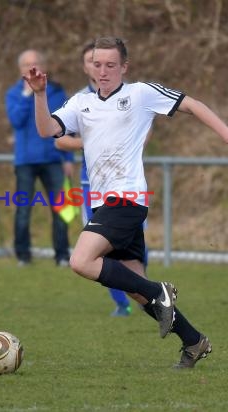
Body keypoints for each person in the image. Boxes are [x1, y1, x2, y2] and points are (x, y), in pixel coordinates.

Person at [25, 36, 228, 368]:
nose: (103, 71)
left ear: (124, 67)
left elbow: (190, 103)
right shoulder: (81, 103)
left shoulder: (140, 94)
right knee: (137, 290)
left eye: (110, 65)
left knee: (80, 261)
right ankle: (193, 341)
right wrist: (40, 94)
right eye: (97, 64)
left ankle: (159, 289)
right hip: (105, 203)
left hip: (127, 199)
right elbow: (47, 130)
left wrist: (227, 134)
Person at [55, 42, 134, 317]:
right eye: (92, 62)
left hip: (126, 185)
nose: (97, 67)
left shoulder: (129, 96)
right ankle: (123, 302)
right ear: (85, 66)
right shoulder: (79, 100)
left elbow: (144, 132)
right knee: (99, 249)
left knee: (131, 246)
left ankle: (146, 291)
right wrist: (90, 142)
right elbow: (59, 140)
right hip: (93, 186)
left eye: (103, 62)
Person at [5, 49, 74, 267]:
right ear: (20, 69)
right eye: (27, 64)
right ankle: (23, 256)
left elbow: (66, 126)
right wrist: (29, 94)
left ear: (44, 66)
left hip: (53, 159)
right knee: (23, 210)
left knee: (61, 209)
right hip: (25, 161)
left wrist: (69, 158)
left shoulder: (56, 92)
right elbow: (16, 120)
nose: (31, 67)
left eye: (35, 63)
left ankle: (62, 255)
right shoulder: (14, 94)